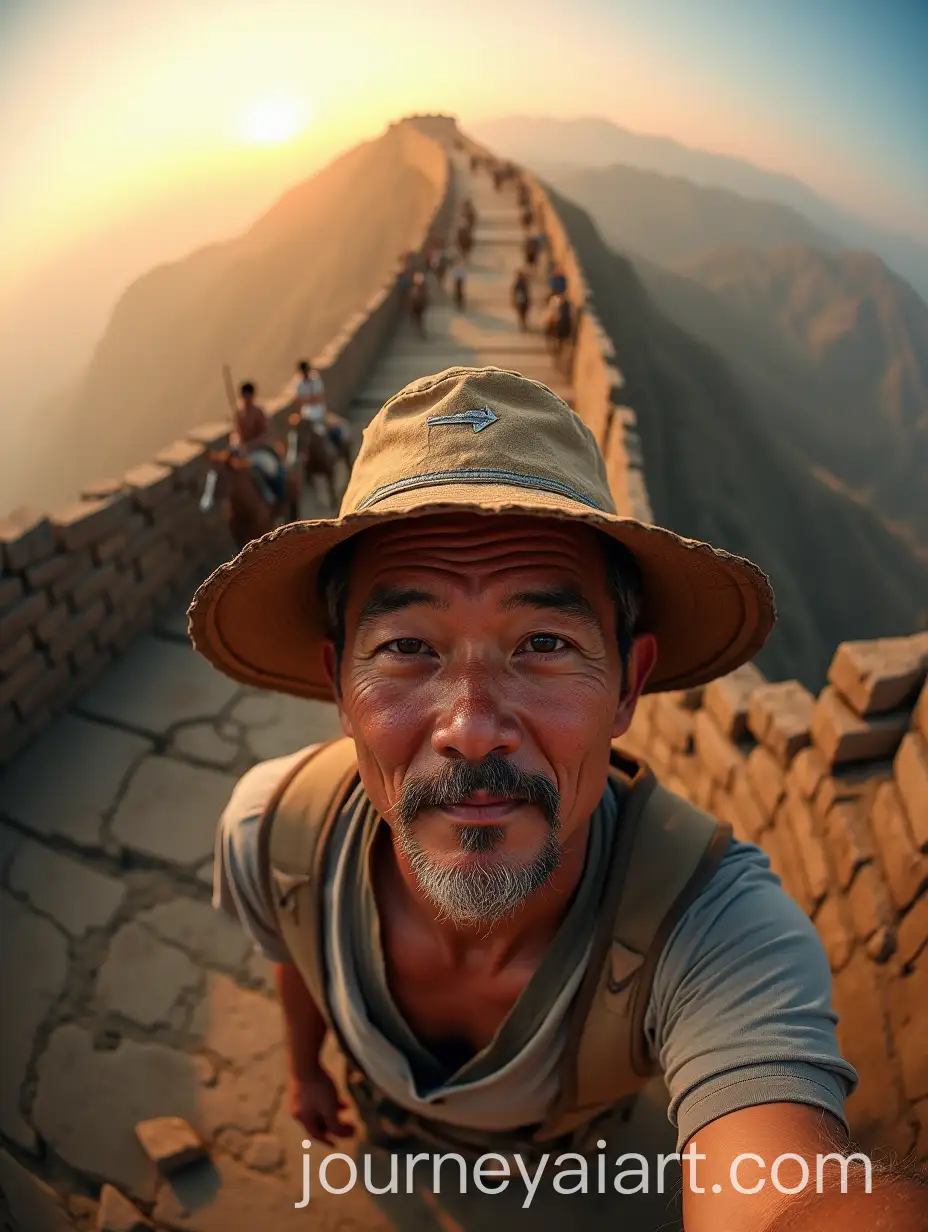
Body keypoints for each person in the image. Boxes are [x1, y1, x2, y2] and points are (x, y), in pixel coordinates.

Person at [195, 365, 926, 1232]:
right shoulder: (270, 835)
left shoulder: (718, 933)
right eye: (405, 647)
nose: (471, 729)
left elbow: (790, 1198)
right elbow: (293, 947)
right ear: (339, 686)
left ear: (628, 686)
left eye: (543, 642)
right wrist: (304, 1070)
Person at [229, 380, 287, 505]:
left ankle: (275, 497)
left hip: (260, 450)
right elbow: (236, 433)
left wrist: (250, 445)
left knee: (271, 469)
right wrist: (236, 444)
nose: (246, 400)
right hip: (244, 451)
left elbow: (265, 434)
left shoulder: (258, 412)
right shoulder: (239, 414)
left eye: (248, 397)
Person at [295, 360, 348, 454]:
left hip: (319, 413)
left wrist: (306, 399)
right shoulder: (299, 384)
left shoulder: (315, 380)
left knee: (329, 430)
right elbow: (300, 400)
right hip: (307, 415)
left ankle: (336, 451)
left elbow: (318, 397)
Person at [409, 271, 429, 337]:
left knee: (420, 320)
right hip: (417, 306)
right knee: (419, 320)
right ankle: (421, 332)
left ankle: (422, 332)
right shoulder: (415, 290)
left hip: (419, 306)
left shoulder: (416, 290)